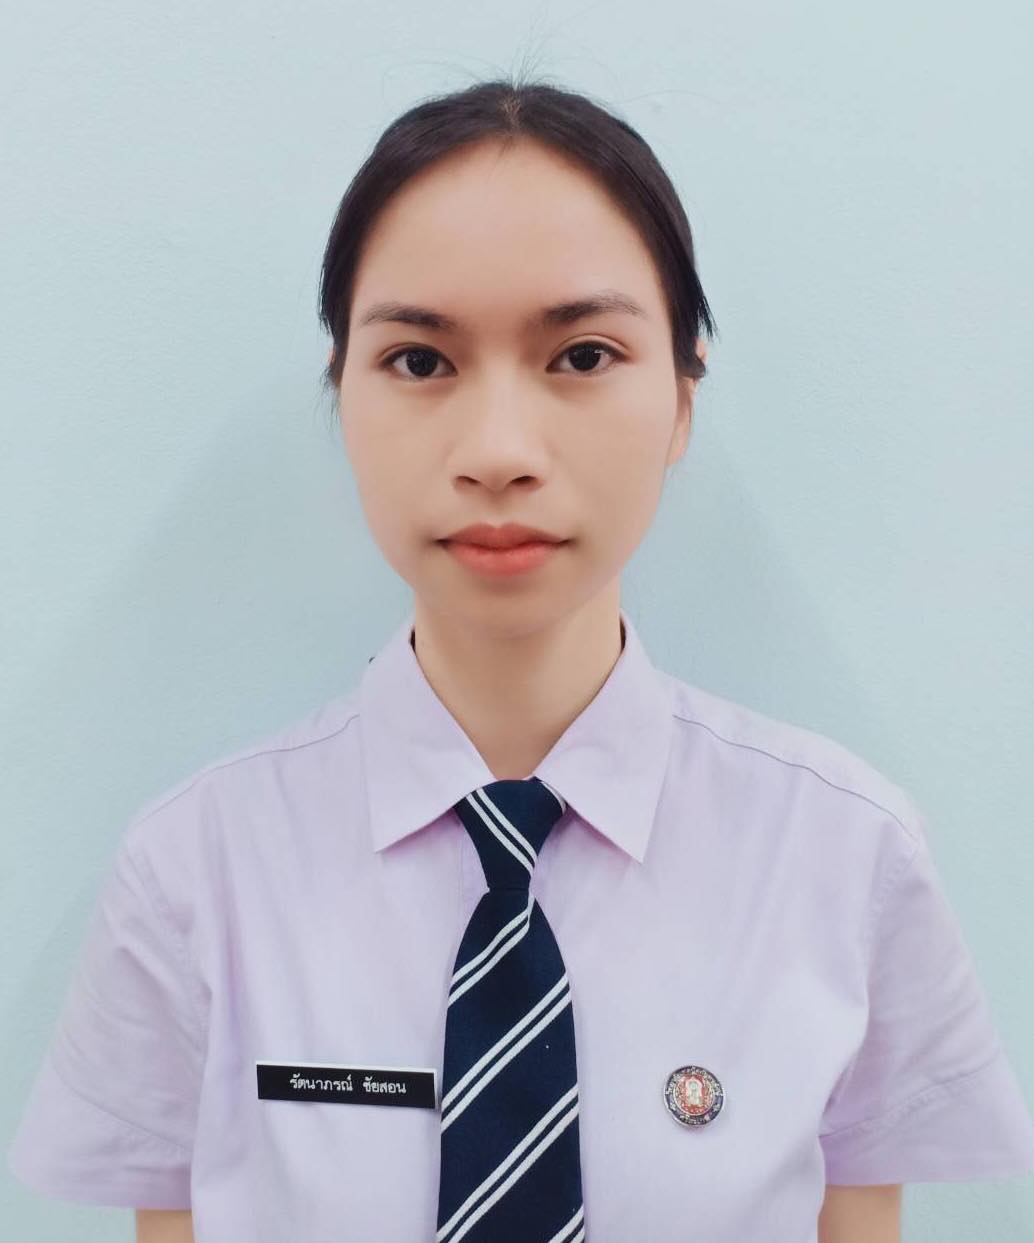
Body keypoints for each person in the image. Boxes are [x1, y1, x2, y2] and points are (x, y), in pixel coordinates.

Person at [8, 75, 1034, 1243]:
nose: (497, 452)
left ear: (682, 396)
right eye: (419, 361)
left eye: (582, 354)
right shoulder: (193, 876)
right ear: (341, 392)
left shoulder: (846, 857)